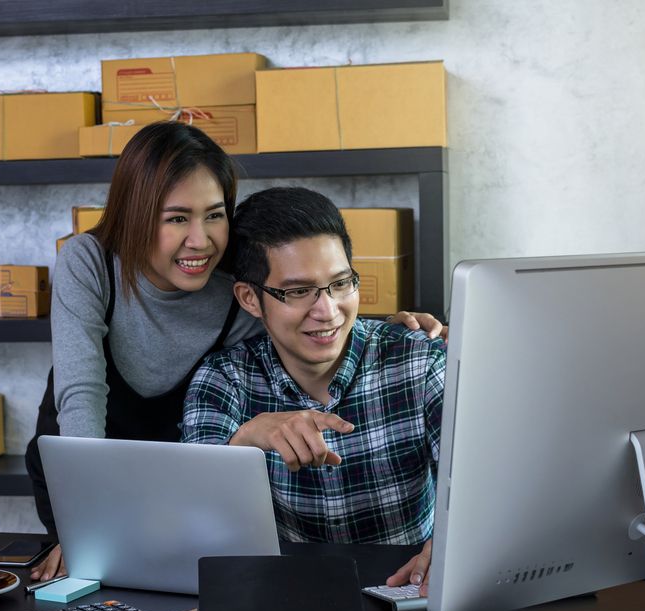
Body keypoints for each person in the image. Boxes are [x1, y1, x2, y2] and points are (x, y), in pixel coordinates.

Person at [25, 123, 443, 581]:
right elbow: (81, 395)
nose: (201, 241)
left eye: (214, 215)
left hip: (176, 475)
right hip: (85, 469)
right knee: (94, 592)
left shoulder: (236, 293)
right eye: (176, 218)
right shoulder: (93, 263)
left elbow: (317, 316)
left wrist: (399, 336)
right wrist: (89, 526)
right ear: (138, 214)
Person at [181, 186, 443, 595]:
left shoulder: (418, 361)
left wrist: (449, 543)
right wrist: (244, 439)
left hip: (409, 594)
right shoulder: (224, 378)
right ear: (250, 298)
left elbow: (481, 484)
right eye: (298, 292)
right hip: (284, 600)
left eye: (341, 283)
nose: (328, 311)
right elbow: (190, 513)